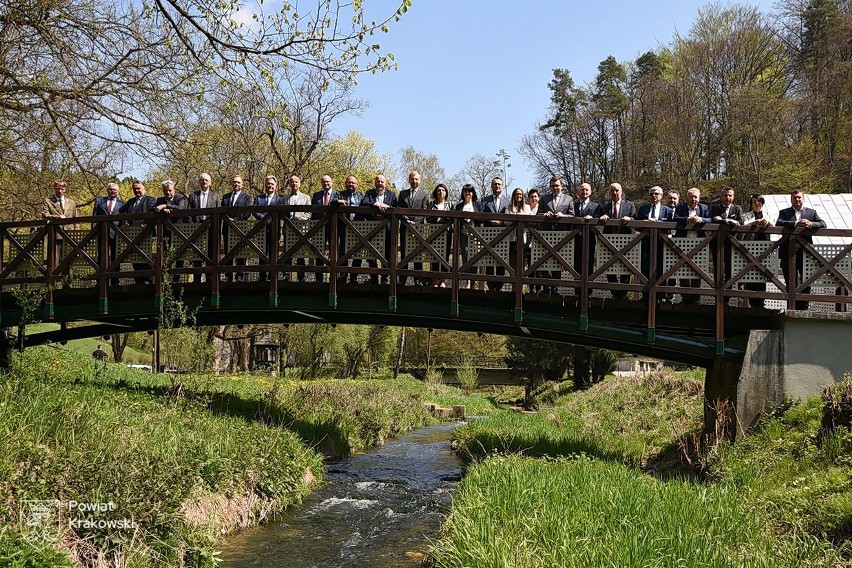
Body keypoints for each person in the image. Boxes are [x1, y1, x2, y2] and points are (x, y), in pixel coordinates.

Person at [776, 188, 827, 310]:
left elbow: (823, 224)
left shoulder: (811, 213)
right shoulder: (784, 212)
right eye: (795, 197)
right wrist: (795, 224)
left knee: (806, 279)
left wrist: (810, 224)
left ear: (803, 199)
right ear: (791, 199)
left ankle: (804, 307)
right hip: (788, 251)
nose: (797, 199)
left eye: (799, 197)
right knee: (790, 280)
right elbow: (779, 223)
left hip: (806, 252)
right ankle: (792, 307)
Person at [672, 187, 712, 303]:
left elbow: (710, 219)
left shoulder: (703, 208)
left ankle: (695, 297)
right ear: (687, 198)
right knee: (683, 268)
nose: (693, 199)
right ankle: (685, 297)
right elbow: (675, 218)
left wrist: (700, 220)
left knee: (697, 269)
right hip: (682, 242)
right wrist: (687, 219)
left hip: (699, 243)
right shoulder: (681, 207)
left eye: (695, 197)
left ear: (699, 198)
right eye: (691, 196)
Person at [598, 182, 636, 300]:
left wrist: (630, 219)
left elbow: (635, 218)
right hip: (609, 241)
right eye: (612, 191)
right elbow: (598, 218)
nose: (615, 193)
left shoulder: (630, 205)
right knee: (610, 267)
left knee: (626, 266)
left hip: (626, 241)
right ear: (609, 193)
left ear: (621, 192)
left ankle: (623, 294)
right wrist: (602, 217)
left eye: (617, 190)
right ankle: (614, 294)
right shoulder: (604, 207)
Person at [636, 186, 673, 301]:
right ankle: (646, 296)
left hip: (662, 243)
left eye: (656, 194)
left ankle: (660, 296)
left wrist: (657, 223)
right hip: (646, 242)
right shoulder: (643, 209)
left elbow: (671, 227)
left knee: (661, 268)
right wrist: (644, 223)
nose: (654, 196)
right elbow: (637, 225)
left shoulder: (667, 210)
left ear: (661, 196)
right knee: (645, 267)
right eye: (651, 194)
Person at [539, 176, 575, 290]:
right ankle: (545, 287)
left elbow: (573, 215)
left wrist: (563, 216)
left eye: (557, 185)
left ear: (562, 186)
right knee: (545, 260)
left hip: (561, 236)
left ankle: (555, 288)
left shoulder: (568, 199)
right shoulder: (544, 199)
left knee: (558, 261)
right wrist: (544, 214)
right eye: (553, 186)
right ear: (550, 187)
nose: (555, 188)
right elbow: (538, 214)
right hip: (546, 234)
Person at [119, 180, 158, 283]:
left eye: (138, 188)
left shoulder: (150, 200)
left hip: (146, 235)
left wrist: (147, 223)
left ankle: (148, 280)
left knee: (146, 257)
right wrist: (125, 222)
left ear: (144, 189)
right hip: (132, 235)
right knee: (134, 257)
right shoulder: (130, 202)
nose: (136, 190)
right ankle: (138, 280)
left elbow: (153, 213)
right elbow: (123, 212)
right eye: (134, 189)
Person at [361, 174, 397, 284]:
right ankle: (374, 277)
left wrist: (387, 207)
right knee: (371, 252)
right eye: (378, 181)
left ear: (385, 183)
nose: (380, 183)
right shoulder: (369, 193)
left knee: (387, 252)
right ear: (375, 183)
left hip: (387, 228)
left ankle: (385, 278)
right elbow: (364, 203)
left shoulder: (392, 194)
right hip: (372, 227)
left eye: (382, 182)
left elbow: (395, 207)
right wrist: (377, 204)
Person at [397, 171, 430, 286]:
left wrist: (415, 223)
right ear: (409, 180)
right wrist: (406, 221)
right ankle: (402, 279)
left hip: (418, 228)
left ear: (420, 180)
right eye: (412, 179)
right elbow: (399, 209)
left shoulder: (424, 194)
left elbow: (424, 211)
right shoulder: (402, 194)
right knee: (404, 252)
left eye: (416, 179)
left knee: (418, 253)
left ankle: (418, 280)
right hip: (405, 227)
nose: (414, 181)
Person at [742, 194, 775, 308]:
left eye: (759, 201)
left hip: (764, 250)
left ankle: (761, 303)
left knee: (762, 275)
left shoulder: (768, 214)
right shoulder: (746, 215)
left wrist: (766, 222)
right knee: (750, 275)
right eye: (754, 202)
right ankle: (751, 302)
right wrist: (755, 223)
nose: (756, 204)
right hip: (750, 250)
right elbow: (744, 225)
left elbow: (775, 225)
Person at [187, 172, 220, 283]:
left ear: (210, 183)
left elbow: (218, 213)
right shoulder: (193, 195)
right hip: (197, 228)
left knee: (211, 253)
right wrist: (192, 225)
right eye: (202, 180)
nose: (204, 182)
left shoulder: (215, 196)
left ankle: (210, 279)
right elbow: (189, 211)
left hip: (211, 229)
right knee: (197, 253)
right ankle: (197, 279)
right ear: (199, 182)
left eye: (206, 180)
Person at [710, 185, 747, 282]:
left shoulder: (737, 208)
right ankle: (718, 293)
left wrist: (723, 220)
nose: (728, 198)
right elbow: (713, 220)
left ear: (733, 196)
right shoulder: (715, 208)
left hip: (732, 243)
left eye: (730, 195)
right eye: (725, 195)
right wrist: (728, 220)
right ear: (721, 196)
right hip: (717, 242)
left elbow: (741, 222)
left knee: (730, 267)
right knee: (718, 267)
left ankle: (728, 293)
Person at [43, 179, 79, 273]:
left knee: (69, 259)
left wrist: (77, 234)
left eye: (62, 189)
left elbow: (76, 219)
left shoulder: (71, 202)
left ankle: (67, 284)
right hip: (55, 234)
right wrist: (57, 217)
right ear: (54, 188)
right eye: (58, 188)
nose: (60, 191)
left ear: (65, 189)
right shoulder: (48, 201)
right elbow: (45, 215)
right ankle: (53, 283)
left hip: (69, 234)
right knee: (54, 260)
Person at [221, 175, 252, 282]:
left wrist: (236, 220)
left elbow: (247, 213)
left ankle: (239, 277)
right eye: (234, 182)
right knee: (228, 253)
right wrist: (228, 220)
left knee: (241, 253)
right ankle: (228, 276)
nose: (236, 184)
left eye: (238, 182)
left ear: (242, 185)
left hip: (241, 229)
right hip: (227, 228)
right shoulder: (225, 197)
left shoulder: (247, 197)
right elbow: (221, 211)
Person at [155, 180, 187, 282]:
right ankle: (165, 278)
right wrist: (162, 209)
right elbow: (153, 209)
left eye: (169, 190)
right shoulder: (160, 200)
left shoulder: (180, 198)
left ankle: (176, 279)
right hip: (165, 231)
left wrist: (166, 206)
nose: (168, 193)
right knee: (165, 254)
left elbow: (181, 208)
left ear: (173, 190)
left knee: (180, 254)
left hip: (179, 230)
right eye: (165, 191)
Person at [481, 176, 510, 291]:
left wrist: (502, 222)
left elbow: (510, 216)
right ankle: (490, 287)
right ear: (491, 186)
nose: (497, 186)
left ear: (503, 186)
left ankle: (499, 287)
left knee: (501, 262)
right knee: (488, 262)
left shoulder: (508, 201)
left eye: (499, 184)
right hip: (488, 235)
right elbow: (481, 215)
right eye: (495, 184)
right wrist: (490, 220)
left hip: (503, 235)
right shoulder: (485, 200)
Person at [254, 175, 284, 282]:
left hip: (274, 229)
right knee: (262, 252)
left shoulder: (280, 200)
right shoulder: (259, 198)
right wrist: (263, 218)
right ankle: (262, 276)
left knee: (274, 252)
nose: (270, 186)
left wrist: (271, 219)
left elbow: (282, 213)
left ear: (275, 186)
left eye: (272, 184)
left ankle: (273, 277)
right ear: (265, 185)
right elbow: (255, 210)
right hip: (261, 229)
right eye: (268, 184)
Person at [93, 182, 125, 283]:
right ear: (107, 190)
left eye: (114, 190)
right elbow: (94, 217)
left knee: (116, 257)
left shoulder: (122, 203)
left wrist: (122, 231)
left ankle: (115, 281)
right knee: (101, 256)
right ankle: (100, 281)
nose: (112, 191)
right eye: (110, 189)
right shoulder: (99, 201)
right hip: (102, 232)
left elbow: (124, 219)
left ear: (118, 192)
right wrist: (94, 231)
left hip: (116, 233)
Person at [573, 183, 600, 298]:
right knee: (576, 264)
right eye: (582, 190)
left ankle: (588, 292)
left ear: (591, 192)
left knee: (589, 263)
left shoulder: (596, 206)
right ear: (579, 192)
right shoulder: (573, 205)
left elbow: (599, 222)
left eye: (586, 190)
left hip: (590, 239)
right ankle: (577, 291)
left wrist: (592, 220)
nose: (584, 192)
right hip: (575, 238)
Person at [310, 174, 339, 282]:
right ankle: (319, 279)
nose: (326, 183)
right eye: (323, 182)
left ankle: (334, 279)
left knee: (334, 253)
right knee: (318, 253)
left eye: (327, 181)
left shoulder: (337, 194)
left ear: (332, 182)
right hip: (319, 227)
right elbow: (313, 212)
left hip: (333, 228)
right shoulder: (316, 195)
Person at [336, 175, 364, 284]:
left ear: (357, 184)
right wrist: (338, 202)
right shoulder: (340, 194)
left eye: (353, 183)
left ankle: (354, 277)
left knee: (358, 252)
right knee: (343, 251)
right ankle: (343, 275)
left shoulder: (361, 195)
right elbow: (333, 201)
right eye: (349, 182)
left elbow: (366, 205)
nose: (351, 184)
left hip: (358, 228)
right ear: (345, 183)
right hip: (344, 226)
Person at [454, 184, 482, 289]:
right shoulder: (459, 206)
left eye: (470, 191)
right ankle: (467, 282)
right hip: (463, 234)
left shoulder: (477, 205)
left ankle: (473, 282)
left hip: (475, 235)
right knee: (465, 256)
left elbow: (481, 219)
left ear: (473, 193)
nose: (468, 193)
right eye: (465, 191)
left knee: (475, 258)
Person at [284, 174, 311, 282]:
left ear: (300, 184)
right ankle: (286, 276)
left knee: (301, 254)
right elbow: (282, 214)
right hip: (288, 229)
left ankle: (301, 277)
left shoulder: (306, 197)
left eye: (296, 181)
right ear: (289, 184)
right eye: (292, 181)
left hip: (302, 230)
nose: (294, 183)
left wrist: (300, 220)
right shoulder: (284, 198)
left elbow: (309, 213)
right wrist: (289, 220)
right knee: (287, 253)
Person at [427, 183, 452, 287]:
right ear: (436, 192)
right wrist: (440, 215)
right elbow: (428, 218)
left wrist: (442, 215)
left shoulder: (450, 205)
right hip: (434, 233)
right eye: (439, 190)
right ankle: (435, 280)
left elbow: (452, 219)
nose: (441, 192)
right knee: (433, 256)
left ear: (446, 192)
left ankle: (443, 280)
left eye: (443, 190)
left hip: (447, 233)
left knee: (445, 256)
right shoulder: (431, 204)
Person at [505, 187, 531, 285]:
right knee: (512, 263)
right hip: (512, 238)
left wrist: (521, 216)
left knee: (522, 263)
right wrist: (515, 217)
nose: (518, 196)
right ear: (513, 196)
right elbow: (506, 221)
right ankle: (513, 286)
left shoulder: (527, 208)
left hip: (523, 239)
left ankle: (520, 286)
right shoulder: (508, 207)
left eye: (520, 194)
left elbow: (529, 220)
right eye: (516, 194)